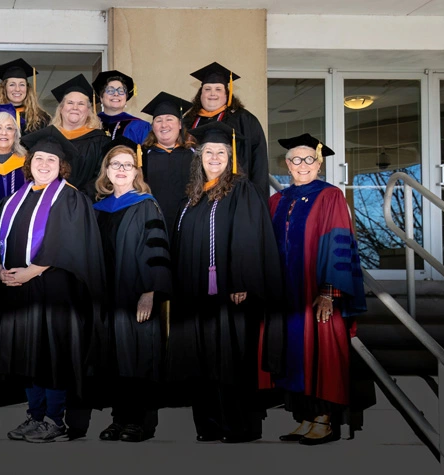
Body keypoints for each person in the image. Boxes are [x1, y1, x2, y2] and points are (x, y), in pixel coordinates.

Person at [167, 121, 283, 443]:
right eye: (208, 152)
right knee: (200, 358)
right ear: (199, 158)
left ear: (230, 157)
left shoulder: (240, 190)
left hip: (229, 294)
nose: (214, 157)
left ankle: (239, 427)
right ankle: (208, 425)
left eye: (221, 152)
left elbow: (247, 237)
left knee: (231, 358)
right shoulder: (191, 196)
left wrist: (242, 280)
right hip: (195, 294)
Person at [0, 126, 105, 443]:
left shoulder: (71, 198)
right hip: (19, 293)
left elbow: (68, 243)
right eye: (38, 158)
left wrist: (32, 271)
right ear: (29, 163)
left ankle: (55, 419)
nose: (43, 164)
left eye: (50, 160)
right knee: (27, 355)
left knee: (52, 356)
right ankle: (35, 416)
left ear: (61, 166)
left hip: (56, 294)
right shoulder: (14, 199)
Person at [263, 133, 366, 446]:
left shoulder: (330, 196)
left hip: (317, 294)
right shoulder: (277, 200)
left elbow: (340, 242)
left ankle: (324, 420)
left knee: (321, 354)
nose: (302, 164)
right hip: (285, 295)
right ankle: (305, 417)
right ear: (287, 165)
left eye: (309, 159)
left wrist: (329, 291)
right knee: (293, 354)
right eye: (295, 159)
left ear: (319, 164)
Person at [92, 139, 172, 442]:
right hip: (106, 296)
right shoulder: (98, 208)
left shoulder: (146, 205)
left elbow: (157, 250)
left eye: (128, 164)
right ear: (107, 171)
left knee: (138, 355)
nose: (122, 169)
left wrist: (151, 291)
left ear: (136, 171)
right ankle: (118, 418)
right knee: (113, 358)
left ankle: (140, 422)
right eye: (116, 164)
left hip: (136, 294)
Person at [182, 62, 269, 198]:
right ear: (200, 93)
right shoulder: (188, 121)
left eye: (218, 89)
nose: (212, 94)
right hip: (195, 193)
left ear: (227, 94)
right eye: (207, 89)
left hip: (234, 195)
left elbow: (259, 163)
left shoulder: (244, 119)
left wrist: (255, 199)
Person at [140, 91, 197, 236]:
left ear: (179, 124)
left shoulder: (194, 155)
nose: (164, 125)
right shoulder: (141, 155)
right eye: (158, 120)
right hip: (152, 223)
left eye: (169, 119)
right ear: (153, 127)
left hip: (187, 224)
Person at [47, 74, 108, 193]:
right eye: (70, 103)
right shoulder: (48, 138)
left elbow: (102, 177)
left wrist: (78, 198)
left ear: (88, 111)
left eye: (81, 104)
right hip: (50, 203)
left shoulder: (100, 141)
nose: (75, 107)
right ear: (61, 108)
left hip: (87, 204)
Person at [0, 58, 50, 136]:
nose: (17, 89)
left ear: (27, 89)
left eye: (22, 84)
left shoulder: (42, 118)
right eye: (12, 84)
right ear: (4, 88)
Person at [93, 70, 151, 144]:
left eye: (121, 91)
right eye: (110, 90)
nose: (116, 94)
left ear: (126, 98)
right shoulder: (90, 124)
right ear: (101, 98)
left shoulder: (139, 127)